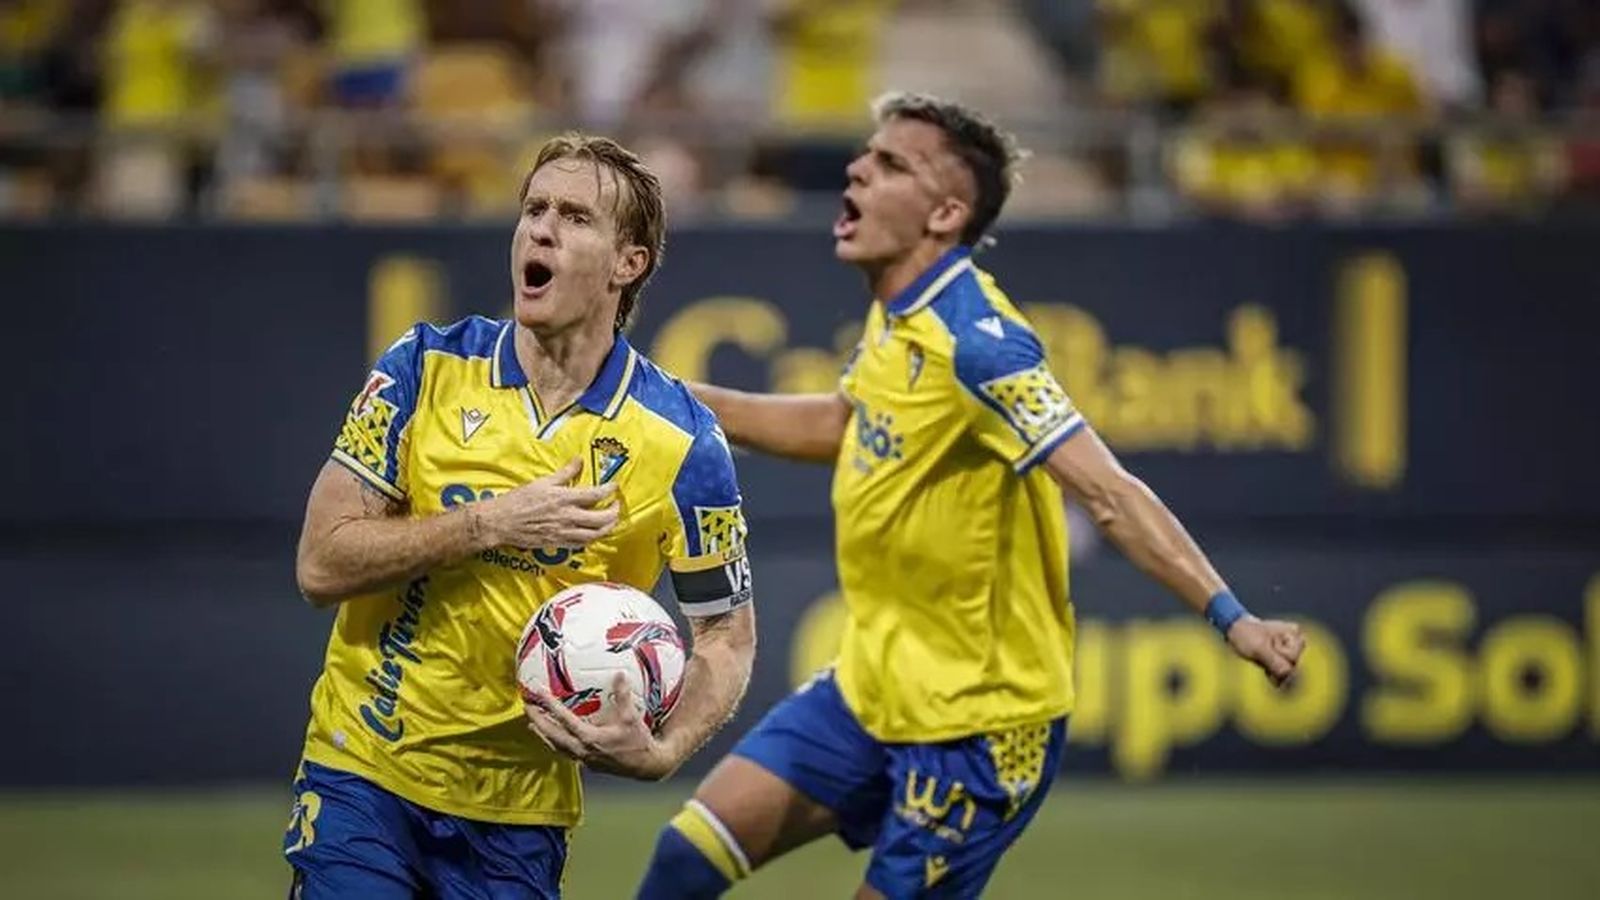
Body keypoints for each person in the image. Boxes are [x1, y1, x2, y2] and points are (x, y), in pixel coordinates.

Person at [633, 92, 1307, 899]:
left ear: (945, 214)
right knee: (685, 857)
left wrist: (1233, 618)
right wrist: (669, 398)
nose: (858, 169)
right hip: (873, 689)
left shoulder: (980, 345)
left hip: (979, 725)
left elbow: (1110, 493)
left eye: (891, 164)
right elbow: (844, 423)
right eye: (867, 154)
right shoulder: (898, 315)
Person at [284, 133, 758, 899]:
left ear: (628, 262)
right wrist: (488, 524)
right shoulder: (424, 368)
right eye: (534, 209)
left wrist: (664, 749)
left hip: (520, 815)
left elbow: (726, 634)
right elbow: (320, 563)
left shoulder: (682, 441)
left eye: (574, 217)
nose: (541, 229)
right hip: (365, 772)